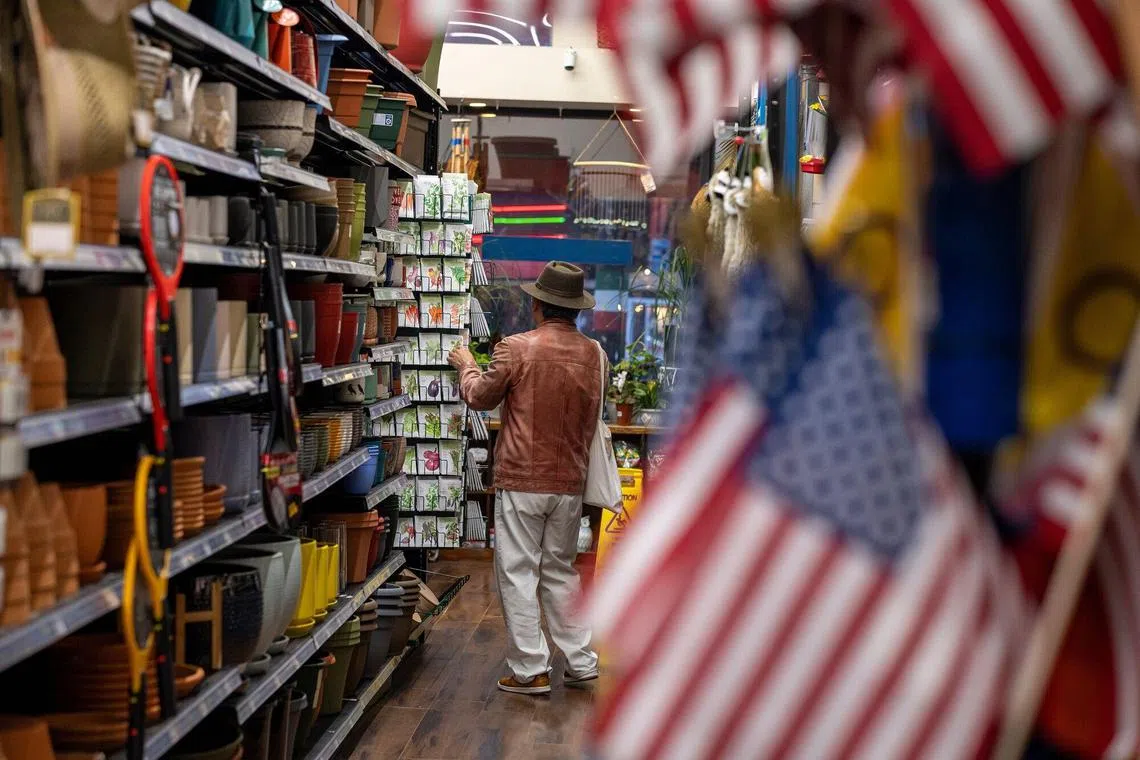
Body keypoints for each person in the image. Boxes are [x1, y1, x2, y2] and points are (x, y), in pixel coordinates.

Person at [448, 261, 603, 695]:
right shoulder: (595, 353)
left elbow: (479, 397)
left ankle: (530, 669)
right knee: (560, 570)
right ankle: (580, 661)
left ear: (538, 304)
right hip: (570, 480)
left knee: (518, 571)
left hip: (521, 479)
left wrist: (465, 364)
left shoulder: (515, 348)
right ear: (575, 308)